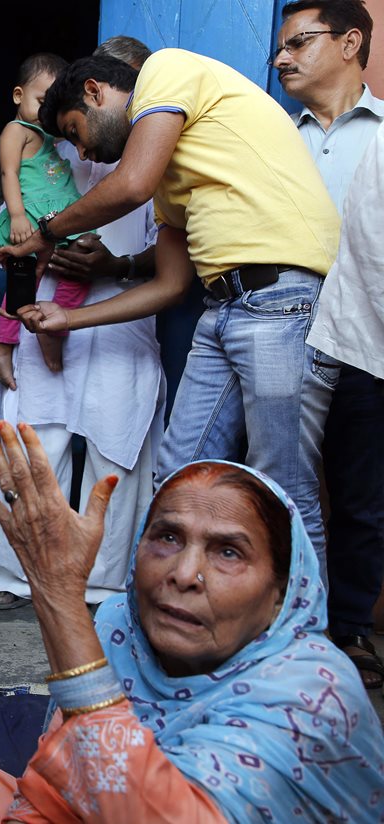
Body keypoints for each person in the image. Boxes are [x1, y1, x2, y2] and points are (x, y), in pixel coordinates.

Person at [0, 422, 384, 822]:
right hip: (111, 806)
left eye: (229, 552)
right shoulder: (119, 627)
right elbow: (66, 773)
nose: (184, 573)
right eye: (168, 538)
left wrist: (59, 594)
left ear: (282, 593)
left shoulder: (312, 694)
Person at [0, 50, 341, 574]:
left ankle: (301, 644)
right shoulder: (172, 174)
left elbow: (130, 184)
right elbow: (171, 283)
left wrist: (45, 233)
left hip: (280, 299)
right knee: (177, 475)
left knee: (284, 489)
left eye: (75, 130)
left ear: (96, 92)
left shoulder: (166, 70)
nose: (82, 148)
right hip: (222, 308)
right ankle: (183, 617)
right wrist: (70, 318)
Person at [0, 36, 164, 610]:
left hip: (121, 324)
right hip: (44, 322)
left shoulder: (161, 161)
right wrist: (42, 252)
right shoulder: (52, 149)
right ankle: (17, 576)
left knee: (117, 459)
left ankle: (105, 586)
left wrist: (119, 264)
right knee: (36, 449)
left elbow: (183, 256)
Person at [275, 0, 384, 691]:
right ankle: (274, 628)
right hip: (280, 326)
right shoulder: (276, 139)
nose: (282, 58)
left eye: (299, 43)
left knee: (361, 493)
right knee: (271, 481)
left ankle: (344, 632)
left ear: (350, 42)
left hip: (365, 333)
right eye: (279, 47)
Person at [0, 53, 89, 388]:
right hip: (30, 218)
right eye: (42, 102)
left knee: (78, 269)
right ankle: (8, 344)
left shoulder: (47, 134)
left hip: (56, 215)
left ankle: (51, 329)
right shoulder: (16, 130)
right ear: (19, 96)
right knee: (24, 281)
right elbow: (8, 172)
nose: (46, 112)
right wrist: (16, 215)